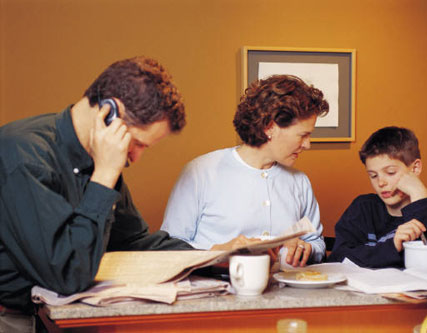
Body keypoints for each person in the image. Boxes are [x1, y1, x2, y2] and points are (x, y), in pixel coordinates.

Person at [0, 56, 251, 333]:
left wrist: (212, 256)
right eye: (138, 143)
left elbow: (135, 242)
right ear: (108, 113)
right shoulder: (24, 156)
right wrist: (105, 175)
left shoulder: (102, 161)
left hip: (59, 318)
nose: (136, 157)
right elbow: (67, 276)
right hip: (14, 320)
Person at [161, 74, 329, 267]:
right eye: (303, 135)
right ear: (270, 127)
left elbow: (316, 242)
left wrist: (307, 249)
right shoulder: (200, 172)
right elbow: (171, 247)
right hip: (218, 291)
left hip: (286, 293)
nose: (307, 145)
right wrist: (220, 253)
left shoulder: (299, 181)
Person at [326, 126, 427, 268]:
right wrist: (392, 246)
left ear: (415, 169)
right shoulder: (363, 208)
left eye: (390, 173)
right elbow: (338, 257)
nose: (381, 182)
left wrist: (419, 194)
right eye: (373, 175)